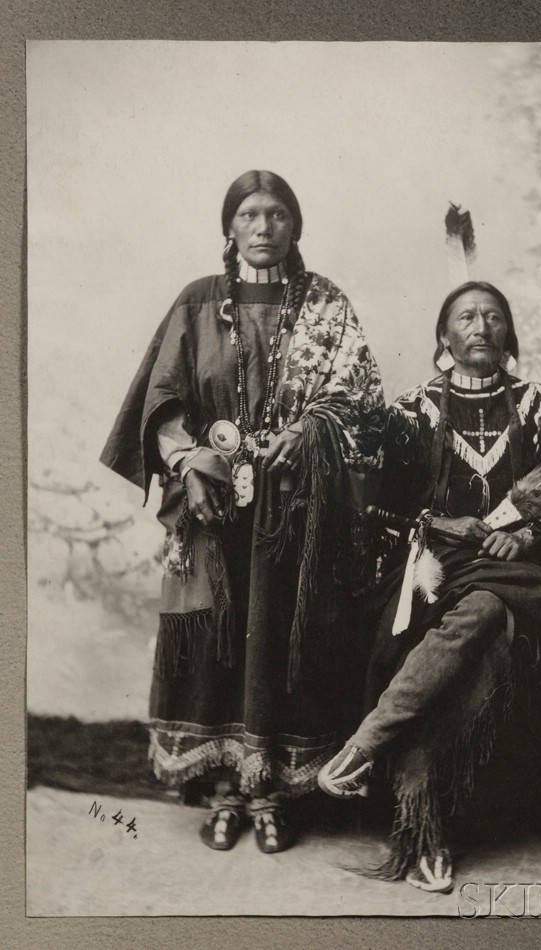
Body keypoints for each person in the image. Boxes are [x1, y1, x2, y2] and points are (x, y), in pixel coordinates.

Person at [101, 170, 384, 854]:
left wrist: (309, 432)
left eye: (278, 214)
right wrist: (190, 463)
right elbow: (162, 401)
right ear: (229, 227)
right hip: (209, 506)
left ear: (296, 225)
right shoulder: (197, 302)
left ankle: (274, 795)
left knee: (283, 644)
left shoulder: (327, 304)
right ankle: (223, 793)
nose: (263, 227)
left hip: (297, 511)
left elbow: (361, 402)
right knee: (214, 646)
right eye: (250, 215)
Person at [318, 281, 541, 893]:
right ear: (444, 335)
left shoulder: (537, 407)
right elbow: (378, 507)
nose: (481, 325)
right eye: (466, 316)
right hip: (431, 569)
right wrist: (440, 521)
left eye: (494, 316)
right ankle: (426, 823)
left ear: (508, 334)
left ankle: (372, 753)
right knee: (484, 630)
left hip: (516, 570)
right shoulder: (414, 409)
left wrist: (529, 535)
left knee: (493, 602)